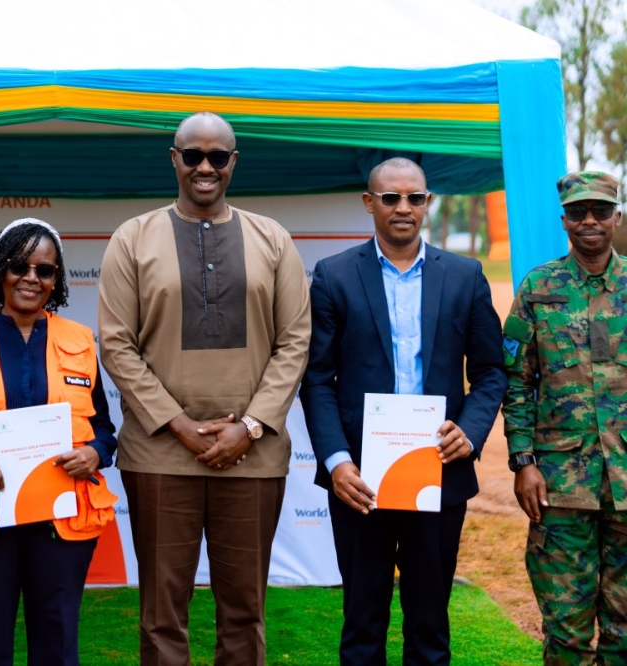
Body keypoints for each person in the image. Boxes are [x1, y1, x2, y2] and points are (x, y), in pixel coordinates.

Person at [97, 111, 311, 666]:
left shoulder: (273, 239)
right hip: (161, 454)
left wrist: (251, 425)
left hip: (254, 455)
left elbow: (295, 341)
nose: (206, 167)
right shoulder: (132, 238)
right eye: (193, 155)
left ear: (234, 162)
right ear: (175, 159)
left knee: (245, 608)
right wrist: (179, 426)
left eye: (219, 156)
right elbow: (117, 345)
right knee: (162, 612)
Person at [300, 157, 505, 665]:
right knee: (362, 624)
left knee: (430, 627)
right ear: (370, 203)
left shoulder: (464, 276)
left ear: (428, 203)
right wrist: (336, 461)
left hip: (438, 469)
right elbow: (317, 378)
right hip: (361, 480)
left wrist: (472, 431)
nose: (403, 207)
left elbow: (491, 371)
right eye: (390, 198)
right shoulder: (334, 276)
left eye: (414, 197)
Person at [0, 217, 118, 666]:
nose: (31, 278)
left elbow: (105, 432)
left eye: (45, 270)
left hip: (59, 519)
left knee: (56, 641)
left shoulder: (80, 341)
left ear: (57, 279)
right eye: (19, 265)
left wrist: (94, 453)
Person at [502, 171, 627, 665]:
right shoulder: (539, 287)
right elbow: (517, 381)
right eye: (578, 212)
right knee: (566, 633)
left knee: (624, 631)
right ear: (564, 221)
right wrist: (523, 461)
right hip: (560, 485)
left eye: (600, 210)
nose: (589, 221)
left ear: (617, 216)